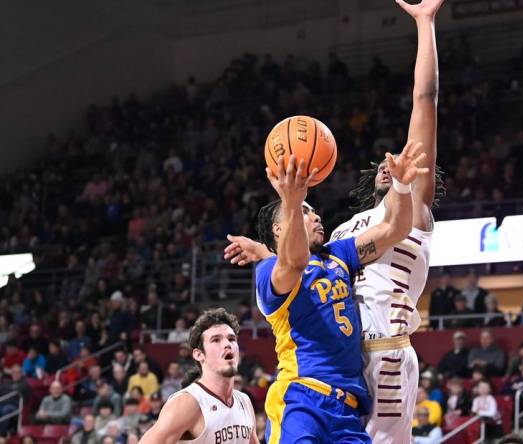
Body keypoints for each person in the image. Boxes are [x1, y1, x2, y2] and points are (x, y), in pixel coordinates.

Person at [226, 4, 444, 441]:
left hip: (383, 353)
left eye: (400, 161)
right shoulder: (345, 231)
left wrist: (425, 24)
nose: (392, 161)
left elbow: (425, 100)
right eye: (386, 161)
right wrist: (268, 250)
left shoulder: (407, 206)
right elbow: (306, 270)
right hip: (340, 363)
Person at [139, 309, 258, 444]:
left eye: (231, 339)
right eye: (216, 340)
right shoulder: (187, 403)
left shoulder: (244, 401)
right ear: (199, 354)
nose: (227, 344)